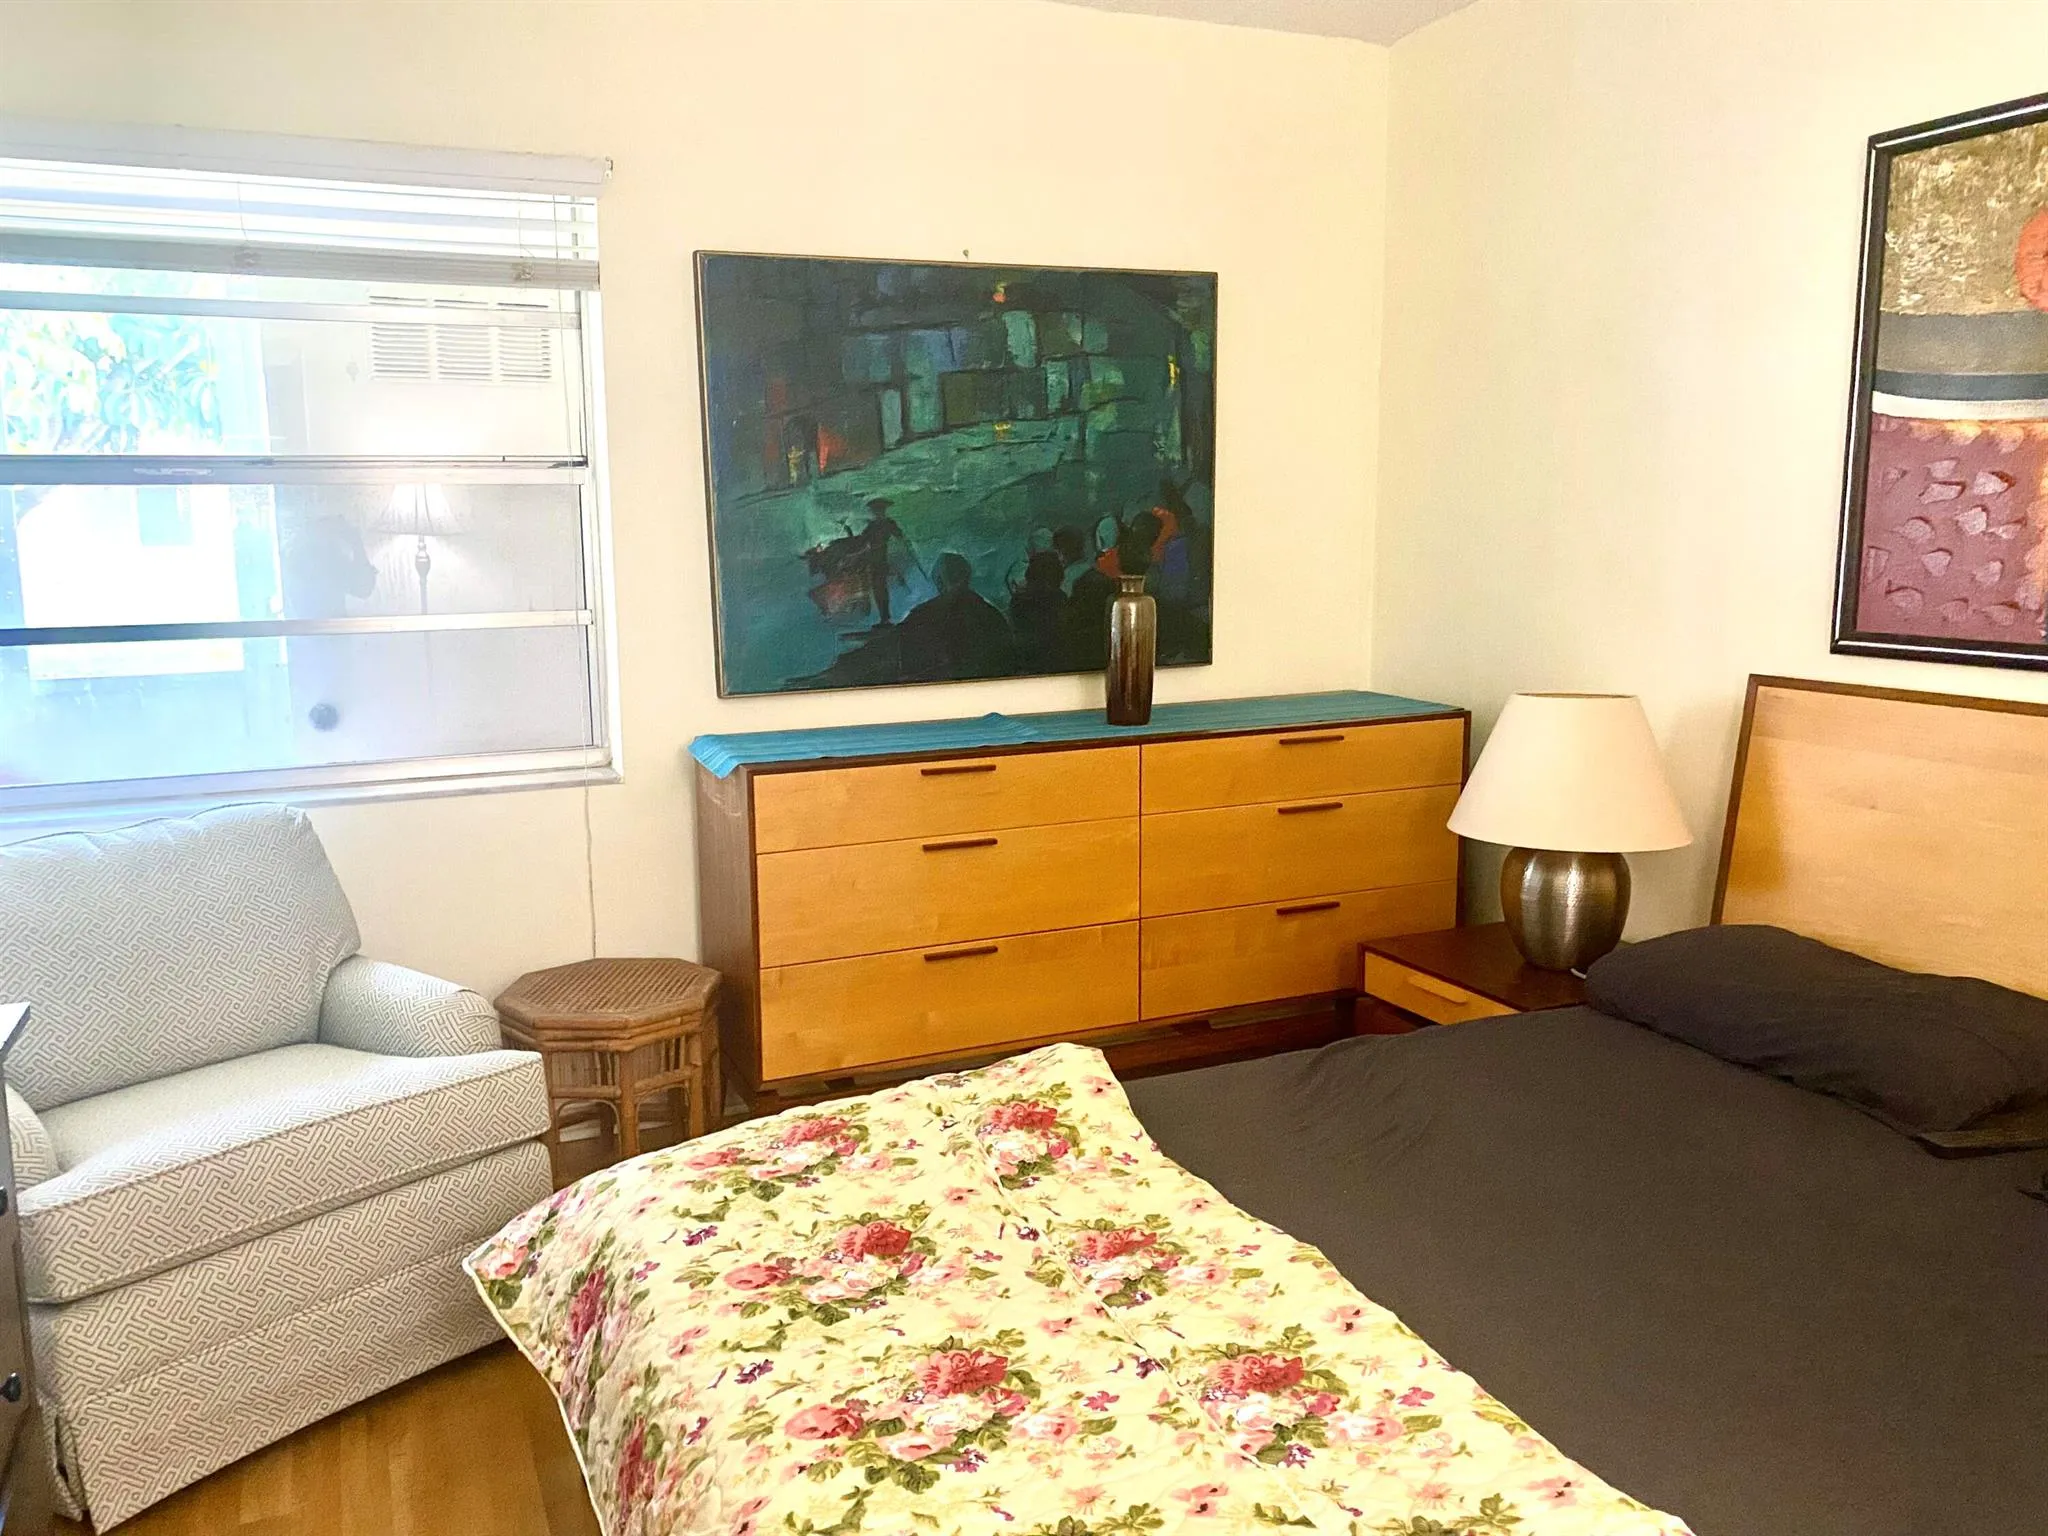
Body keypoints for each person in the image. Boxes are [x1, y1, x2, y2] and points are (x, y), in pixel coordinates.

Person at [895, 552, 1012, 681]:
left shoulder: (919, 617)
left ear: (939, 581)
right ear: (968, 576)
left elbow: (909, 671)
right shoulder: (992, 615)